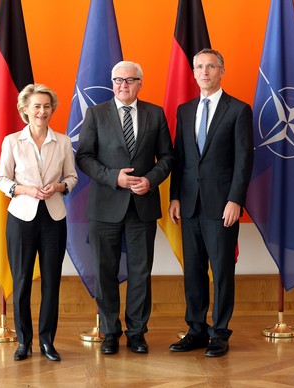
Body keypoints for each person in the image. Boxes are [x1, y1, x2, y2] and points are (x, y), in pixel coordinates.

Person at [76, 61, 174, 355]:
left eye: (130, 80)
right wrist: (113, 177)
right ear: (112, 82)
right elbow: (84, 157)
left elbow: (168, 157)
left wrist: (151, 180)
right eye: (118, 80)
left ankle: (136, 332)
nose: (123, 85)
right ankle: (109, 332)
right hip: (105, 205)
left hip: (142, 206)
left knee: (140, 272)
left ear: (140, 83)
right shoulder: (96, 113)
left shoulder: (155, 114)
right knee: (104, 271)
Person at [168, 49, 253, 357]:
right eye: (199, 67)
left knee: (221, 270)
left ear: (222, 71)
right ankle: (196, 329)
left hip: (222, 206)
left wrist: (235, 200)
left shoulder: (239, 110)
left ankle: (220, 332)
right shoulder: (185, 109)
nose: (204, 71)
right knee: (193, 270)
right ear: (193, 72)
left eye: (211, 66)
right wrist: (175, 195)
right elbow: (181, 158)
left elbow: (244, 160)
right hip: (189, 204)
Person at [0, 84, 78, 362]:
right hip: (21, 218)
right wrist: (25, 189)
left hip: (54, 218)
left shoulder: (64, 141)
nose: (42, 111)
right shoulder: (11, 141)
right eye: (36, 106)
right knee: (21, 281)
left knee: (51, 281)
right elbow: (2, 179)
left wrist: (59, 186)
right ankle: (23, 342)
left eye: (46, 106)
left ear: (52, 109)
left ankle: (47, 342)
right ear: (25, 110)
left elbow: (72, 177)